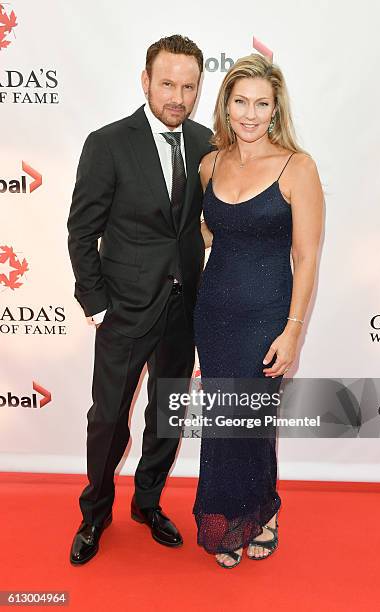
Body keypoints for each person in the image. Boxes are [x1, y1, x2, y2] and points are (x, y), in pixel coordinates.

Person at [67, 34, 213, 565]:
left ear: (199, 88)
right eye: (168, 83)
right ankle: (95, 512)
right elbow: (81, 230)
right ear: (145, 80)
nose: (177, 96)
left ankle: (147, 502)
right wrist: (97, 302)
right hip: (124, 308)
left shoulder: (205, 142)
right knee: (108, 418)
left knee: (168, 413)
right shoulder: (107, 143)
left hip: (183, 309)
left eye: (189, 86)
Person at [193, 53, 323, 568]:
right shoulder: (210, 163)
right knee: (222, 420)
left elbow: (307, 256)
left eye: (261, 103)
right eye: (240, 101)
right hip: (214, 311)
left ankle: (262, 513)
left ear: (275, 109)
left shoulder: (298, 166)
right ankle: (225, 519)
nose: (250, 113)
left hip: (268, 316)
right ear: (226, 106)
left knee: (253, 422)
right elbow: (207, 231)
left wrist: (293, 332)